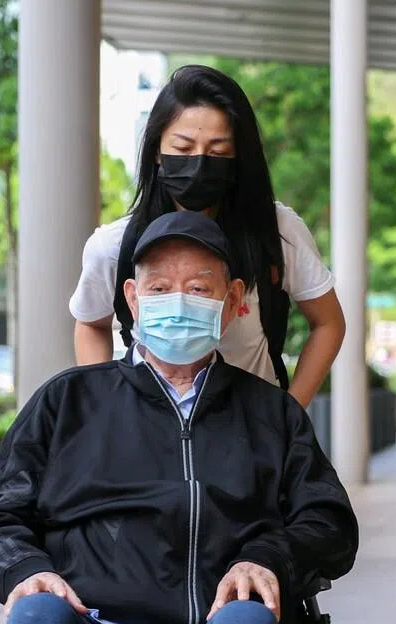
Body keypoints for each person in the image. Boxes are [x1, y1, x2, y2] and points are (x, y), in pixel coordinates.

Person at [0, 211, 359, 624]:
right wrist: (25, 570)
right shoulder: (67, 403)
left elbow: (330, 522)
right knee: (34, 619)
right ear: (132, 298)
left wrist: (267, 558)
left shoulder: (271, 414)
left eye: (198, 289)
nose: (178, 302)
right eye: (160, 288)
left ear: (233, 301)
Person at [70, 64, 345, 408]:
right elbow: (91, 323)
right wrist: (102, 412)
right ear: (156, 150)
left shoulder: (275, 231)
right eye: (183, 148)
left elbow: (328, 323)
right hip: (148, 431)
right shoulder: (114, 246)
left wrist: (287, 417)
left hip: (250, 432)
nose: (198, 163)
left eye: (217, 151)